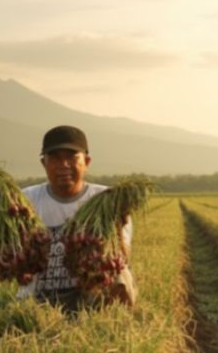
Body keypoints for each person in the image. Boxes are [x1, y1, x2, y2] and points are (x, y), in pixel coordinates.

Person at [16, 125, 136, 310]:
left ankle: (112, 315)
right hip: (40, 296)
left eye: (71, 157)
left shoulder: (106, 200)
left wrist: (116, 229)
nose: (63, 164)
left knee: (120, 272)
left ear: (86, 162)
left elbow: (124, 255)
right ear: (44, 163)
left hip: (92, 291)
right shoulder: (26, 199)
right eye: (55, 158)